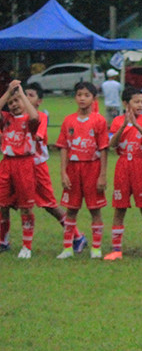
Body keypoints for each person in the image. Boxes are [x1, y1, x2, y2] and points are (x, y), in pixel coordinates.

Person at [19, 83, 87, 254]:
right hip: (18, 167)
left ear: (39, 101)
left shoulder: (39, 116)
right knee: (6, 203)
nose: (27, 98)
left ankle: (77, 236)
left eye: (31, 95)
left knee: (49, 205)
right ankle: (4, 241)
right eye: (24, 94)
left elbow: (38, 136)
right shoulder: (16, 116)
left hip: (36, 167)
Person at [56, 81, 109, 259]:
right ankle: (67, 248)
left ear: (94, 99)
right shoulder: (68, 120)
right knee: (71, 209)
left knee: (95, 209)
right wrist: (63, 172)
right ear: (75, 97)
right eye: (79, 95)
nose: (82, 98)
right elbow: (63, 147)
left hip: (92, 168)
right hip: (73, 169)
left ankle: (96, 248)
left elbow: (103, 149)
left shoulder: (99, 120)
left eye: (87, 95)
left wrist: (102, 175)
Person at [106, 87, 142, 260]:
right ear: (125, 103)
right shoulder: (117, 121)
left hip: (141, 164)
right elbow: (112, 144)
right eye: (136, 102)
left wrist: (136, 125)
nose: (140, 105)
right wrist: (123, 126)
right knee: (119, 208)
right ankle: (116, 250)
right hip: (123, 166)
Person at [0, 81, 40, 258]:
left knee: (26, 207)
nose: (14, 104)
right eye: (11, 102)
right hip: (7, 163)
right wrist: (8, 92)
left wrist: (21, 94)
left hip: (24, 164)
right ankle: (3, 240)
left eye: (18, 101)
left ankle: (27, 245)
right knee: (2, 204)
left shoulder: (29, 120)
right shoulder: (6, 119)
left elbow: (34, 117)